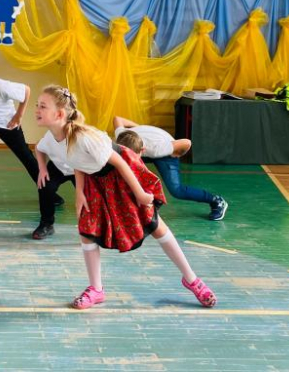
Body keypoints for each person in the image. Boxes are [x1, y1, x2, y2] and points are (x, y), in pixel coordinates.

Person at [35, 85, 217, 309]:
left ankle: (192, 280)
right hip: (95, 180)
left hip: (121, 175)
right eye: (38, 105)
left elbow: (120, 162)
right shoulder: (53, 137)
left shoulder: (85, 137)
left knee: (155, 225)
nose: (37, 109)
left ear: (59, 114)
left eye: (42, 106)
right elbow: (76, 163)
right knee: (87, 231)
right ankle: (96, 289)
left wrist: (139, 193)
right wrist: (79, 193)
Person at [0, 60, 64, 239]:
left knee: (26, 157)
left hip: (7, 124)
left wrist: (18, 115)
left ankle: (51, 195)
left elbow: (26, 91)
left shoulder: (2, 87)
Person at [113, 116, 228, 221]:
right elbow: (117, 119)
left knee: (176, 190)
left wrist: (177, 154)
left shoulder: (158, 148)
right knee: (119, 167)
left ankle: (216, 201)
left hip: (166, 152)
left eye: (131, 156)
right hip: (147, 142)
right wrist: (139, 128)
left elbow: (186, 143)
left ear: (142, 151)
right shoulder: (122, 136)